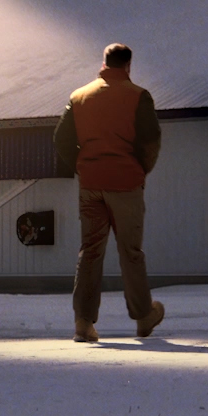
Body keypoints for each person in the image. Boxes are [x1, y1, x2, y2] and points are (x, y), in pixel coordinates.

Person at [54, 42, 165, 343]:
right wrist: (141, 169)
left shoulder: (79, 97)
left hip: (90, 184)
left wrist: (82, 165)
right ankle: (143, 317)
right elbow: (151, 139)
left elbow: (61, 139)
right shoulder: (138, 96)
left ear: (103, 63)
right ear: (128, 65)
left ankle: (83, 323)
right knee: (130, 252)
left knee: (90, 251)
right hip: (126, 183)